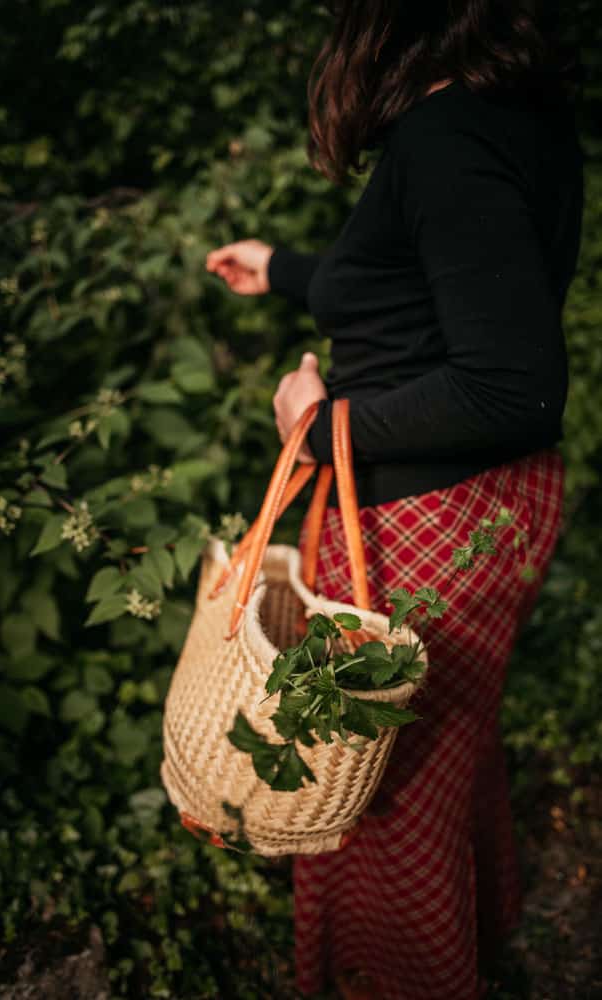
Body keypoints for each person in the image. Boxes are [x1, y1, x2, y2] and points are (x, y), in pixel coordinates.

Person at [206, 2, 584, 998]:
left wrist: (320, 420)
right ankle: (482, 931)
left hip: (424, 515)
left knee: (372, 798)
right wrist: (281, 269)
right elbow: (420, 283)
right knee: (439, 752)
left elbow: (511, 383)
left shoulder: (444, 136)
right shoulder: (513, 115)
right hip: (479, 502)